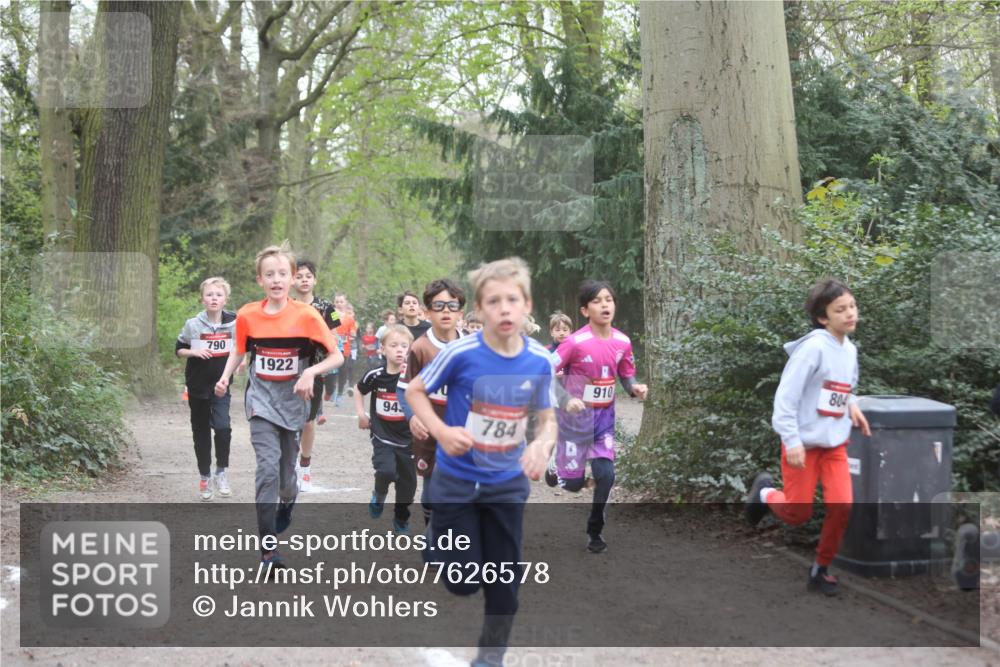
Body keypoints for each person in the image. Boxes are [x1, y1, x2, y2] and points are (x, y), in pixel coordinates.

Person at [405, 257, 556, 667]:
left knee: (504, 581)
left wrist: (542, 445)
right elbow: (416, 392)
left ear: (527, 304)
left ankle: (490, 660)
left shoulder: (541, 360)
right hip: (456, 481)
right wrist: (441, 432)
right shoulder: (461, 353)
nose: (504, 309)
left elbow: (548, 420)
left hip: (506, 482)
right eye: (493, 301)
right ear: (479, 308)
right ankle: (436, 543)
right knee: (463, 583)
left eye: (512, 299)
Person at [214, 243, 343, 571]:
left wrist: (310, 372)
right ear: (260, 280)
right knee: (267, 468)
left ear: (291, 279)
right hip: (260, 402)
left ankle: (289, 497)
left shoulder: (308, 316)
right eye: (269, 274)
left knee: (285, 479)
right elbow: (238, 350)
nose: (276, 279)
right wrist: (226, 376)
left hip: (293, 404)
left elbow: (336, 355)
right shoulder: (247, 315)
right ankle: (268, 548)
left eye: (282, 273)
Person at [745, 278, 871, 596]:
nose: (850, 314)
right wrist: (792, 440)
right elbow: (785, 398)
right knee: (797, 513)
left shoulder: (850, 350)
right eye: (840, 310)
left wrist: (853, 405)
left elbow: (845, 388)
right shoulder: (812, 349)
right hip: (802, 443)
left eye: (852, 307)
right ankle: (764, 494)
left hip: (834, 445)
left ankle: (820, 569)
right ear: (823, 317)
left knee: (842, 506)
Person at [547, 280, 648, 553]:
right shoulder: (573, 342)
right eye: (597, 301)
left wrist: (635, 387)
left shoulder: (622, 341)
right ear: (584, 310)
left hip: (603, 420)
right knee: (572, 484)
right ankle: (557, 467)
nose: (605, 305)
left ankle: (595, 530)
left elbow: (626, 376)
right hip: (574, 422)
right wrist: (567, 399)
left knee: (606, 474)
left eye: (609, 299)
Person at [397, 278, 466, 526]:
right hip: (429, 427)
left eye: (452, 306)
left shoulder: (473, 346)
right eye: (438, 306)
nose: (445, 312)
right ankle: (433, 537)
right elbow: (403, 390)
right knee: (429, 491)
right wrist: (413, 416)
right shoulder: (419, 348)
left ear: (461, 312)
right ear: (427, 312)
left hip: (463, 428)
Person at [176, 277, 237, 501]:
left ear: (225, 299)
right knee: (200, 432)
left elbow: (240, 349)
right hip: (197, 385)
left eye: (218, 295)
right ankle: (204, 475)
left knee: (223, 428)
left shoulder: (234, 323)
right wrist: (193, 352)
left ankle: (221, 471)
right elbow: (179, 348)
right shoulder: (193, 324)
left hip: (221, 385)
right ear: (202, 299)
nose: (214, 298)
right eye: (210, 295)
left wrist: (236, 367)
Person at [354, 324, 416, 534]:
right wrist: (362, 414)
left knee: (408, 486)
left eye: (404, 346)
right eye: (394, 345)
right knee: (386, 471)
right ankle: (379, 495)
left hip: (409, 440)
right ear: (382, 349)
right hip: (382, 436)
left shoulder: (415, 377)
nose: (399, 350)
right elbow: (358, 389)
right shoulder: (376, 375)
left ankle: (401, 517)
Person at [291, 260, 341, 492]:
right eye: (299, 275)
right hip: (287, 368)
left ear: (314, 280)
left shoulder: (325, 306)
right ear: (292, 279)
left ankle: (305, 466)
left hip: (315, 368)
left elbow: (333, 338)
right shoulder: (286, 304)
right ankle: (289, 465)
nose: (303, 279)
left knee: (308, 420)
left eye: (307, 276)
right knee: (288, 419)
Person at [331, 294, 357, 406]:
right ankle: (331, 390)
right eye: (337, 301)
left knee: (342, 371)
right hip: (333, 347)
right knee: (331, 371)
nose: (339, 304)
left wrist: (352, 334)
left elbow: (353, 331)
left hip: (345, 349)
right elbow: (327, 327)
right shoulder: (332, 315)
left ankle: (340, 394)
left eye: (341, 301)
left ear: (345, 303)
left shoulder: (349, 318)